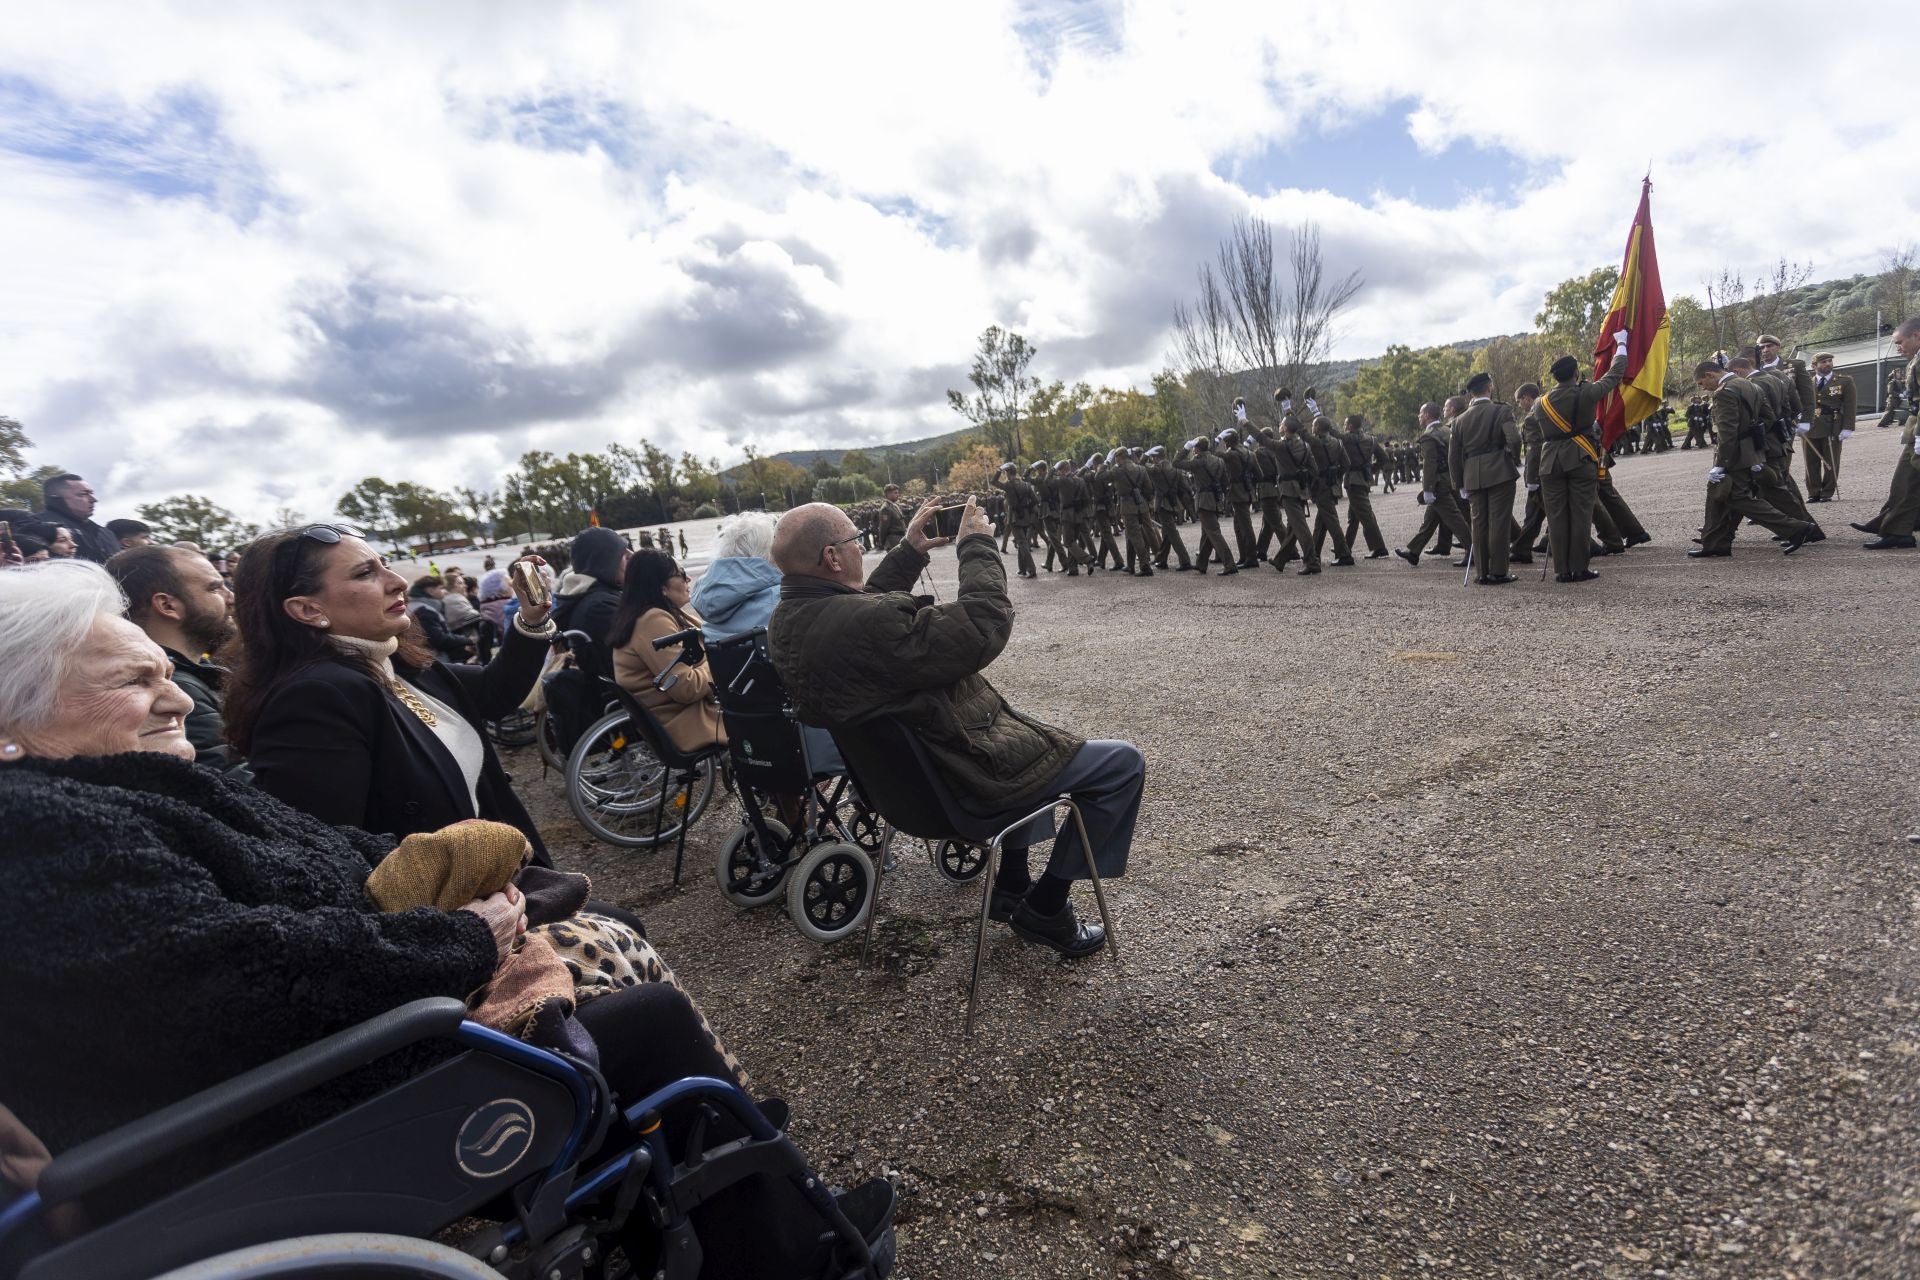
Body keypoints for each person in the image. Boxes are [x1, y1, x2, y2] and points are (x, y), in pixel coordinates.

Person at [0, 560, 782, 1260]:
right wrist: (464, 935)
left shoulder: (130, 791)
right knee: (642, 1016)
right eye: (134, 681)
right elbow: (244, 980)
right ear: (10, 728)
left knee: (611, 943)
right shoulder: (43, 836)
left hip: (329, 1046)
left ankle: (700, 1181)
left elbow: (324, 852)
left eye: (163, 672)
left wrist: (460, 883)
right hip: (284, 1126)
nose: (176, 695)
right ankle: (783, 1240)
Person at [767, 498, 1143, 957]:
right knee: (1122, 764)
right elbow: (984, 622)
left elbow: (857, 615)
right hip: (963, 790)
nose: (862, 550)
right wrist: (977, 544)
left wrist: (908, 551)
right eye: (856, 542)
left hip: (903, 796)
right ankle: (1047, 906)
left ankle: (1012, 882)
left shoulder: (789, 622)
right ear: (831, 557)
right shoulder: (868, 625)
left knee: (1030, 744)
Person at [222, 525, 561, 864]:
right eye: (366, 573)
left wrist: (531, 618)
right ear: (308, 610)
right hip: (455, 911)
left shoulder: (390, 663)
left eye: (384, 563)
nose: (397, 581)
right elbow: (334, 858)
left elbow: (494, 692)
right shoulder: (313, 698)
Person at [104, 544, 248, 776]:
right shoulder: (178, 688)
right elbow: (237, 785)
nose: (231, 597)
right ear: (167, 605)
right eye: (215, 588)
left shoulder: (198, 672)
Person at [1523, 336, 1628, 583]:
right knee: (1580, 514)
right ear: (1576, 373)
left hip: (1550, 463)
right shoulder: (1587, 392)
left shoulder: (1540, 403)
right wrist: (1621, 346)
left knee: (1557, 517)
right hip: (1580, 457)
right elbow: (1614, 375)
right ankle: (1579, 568)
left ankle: (1562, 570)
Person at [1687, 360, 1817, 558]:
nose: (1703, 388)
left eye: (1701, 383)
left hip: (1734, 456)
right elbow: (1768, 418)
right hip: (1750, 452)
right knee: (1719, 497)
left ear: (1710, 375)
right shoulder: (1750, 385)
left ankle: (1795, 528)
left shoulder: (1724, 392)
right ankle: (1715, 543)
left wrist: (1721, 464)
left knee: (1739, 498)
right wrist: (1755, 449)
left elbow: (1727, 433)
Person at [610, 550, 725, 754]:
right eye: (681, 574)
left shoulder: (646, 614)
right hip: (684, 722)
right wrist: (717, 662)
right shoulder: (653, 620)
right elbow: (686, 688)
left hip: (671, 716)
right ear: (662, 587)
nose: (688, 578)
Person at [1447, 372, 1521, 584]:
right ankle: (1499, 571)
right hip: (1499, 470)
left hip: (1472, 475)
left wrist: (1458, 482)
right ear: (1489, 387)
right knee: (1499, 522)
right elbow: (1514, 439)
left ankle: (1482, 572)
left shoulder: (1459, 420)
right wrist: (1512, 457)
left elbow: (1454, 456)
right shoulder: (1501, 410)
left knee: (1478, 523)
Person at [1854, 317, 1920, 550]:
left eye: (1900, 342)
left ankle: (1897, 530)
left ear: (1916, 336)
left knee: (1908, 482)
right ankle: (1892, 525)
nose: (1897, 347)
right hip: (1915, 428)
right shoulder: (1915, 358)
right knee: (1905, 482)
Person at [1394, 401, 1472, 570]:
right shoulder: (1447, 429)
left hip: (1438, 484)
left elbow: (1429, 465)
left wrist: (1428, 489)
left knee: (1454, 518)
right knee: (1430, 519)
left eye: (1420, 414)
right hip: (1451, 479)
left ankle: (1472, 549)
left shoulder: (1428, 435)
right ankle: (1414, 552)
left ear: (1427, 415)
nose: (1419, 416)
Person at [550, 526, 629, 677]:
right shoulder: (600, 607)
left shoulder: (590, 597)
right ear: (604, 563)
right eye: (622, 554)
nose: (632, 556)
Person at [36, 473, 117, 563]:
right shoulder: (37, 526)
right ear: (56, 498)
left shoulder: (106, 533)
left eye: (91, 493)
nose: (93, 499)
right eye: (82, 494)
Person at [1807, 352, 1856, 500]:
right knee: (1811, 461)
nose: (1828, 364)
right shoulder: (1808, 383)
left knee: (1831, 460)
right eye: (1823, 362)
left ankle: (1827, 491)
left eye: (1829, 361)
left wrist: (1848, 427)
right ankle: (1813, 492)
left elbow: (1850, 405)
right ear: (1814, 366)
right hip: (1811, 425)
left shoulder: (1844, 381)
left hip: (1832, 424)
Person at [406, 574, 476, 662]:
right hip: (433, 661)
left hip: (425, 657)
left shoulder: (416, 606)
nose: (445, 592)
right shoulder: (424, 611)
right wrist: (468, 640)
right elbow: (440, 640)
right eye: (441, 588)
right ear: (430, 591)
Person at [874, 485, 908, 552]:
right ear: (888, 494)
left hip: (900, 539)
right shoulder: (886, 508)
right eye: (895, 493)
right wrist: (883, 542)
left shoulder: (895, 506)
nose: (898, 494)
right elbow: (883, 527)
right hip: (893, 541)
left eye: (898, 492)